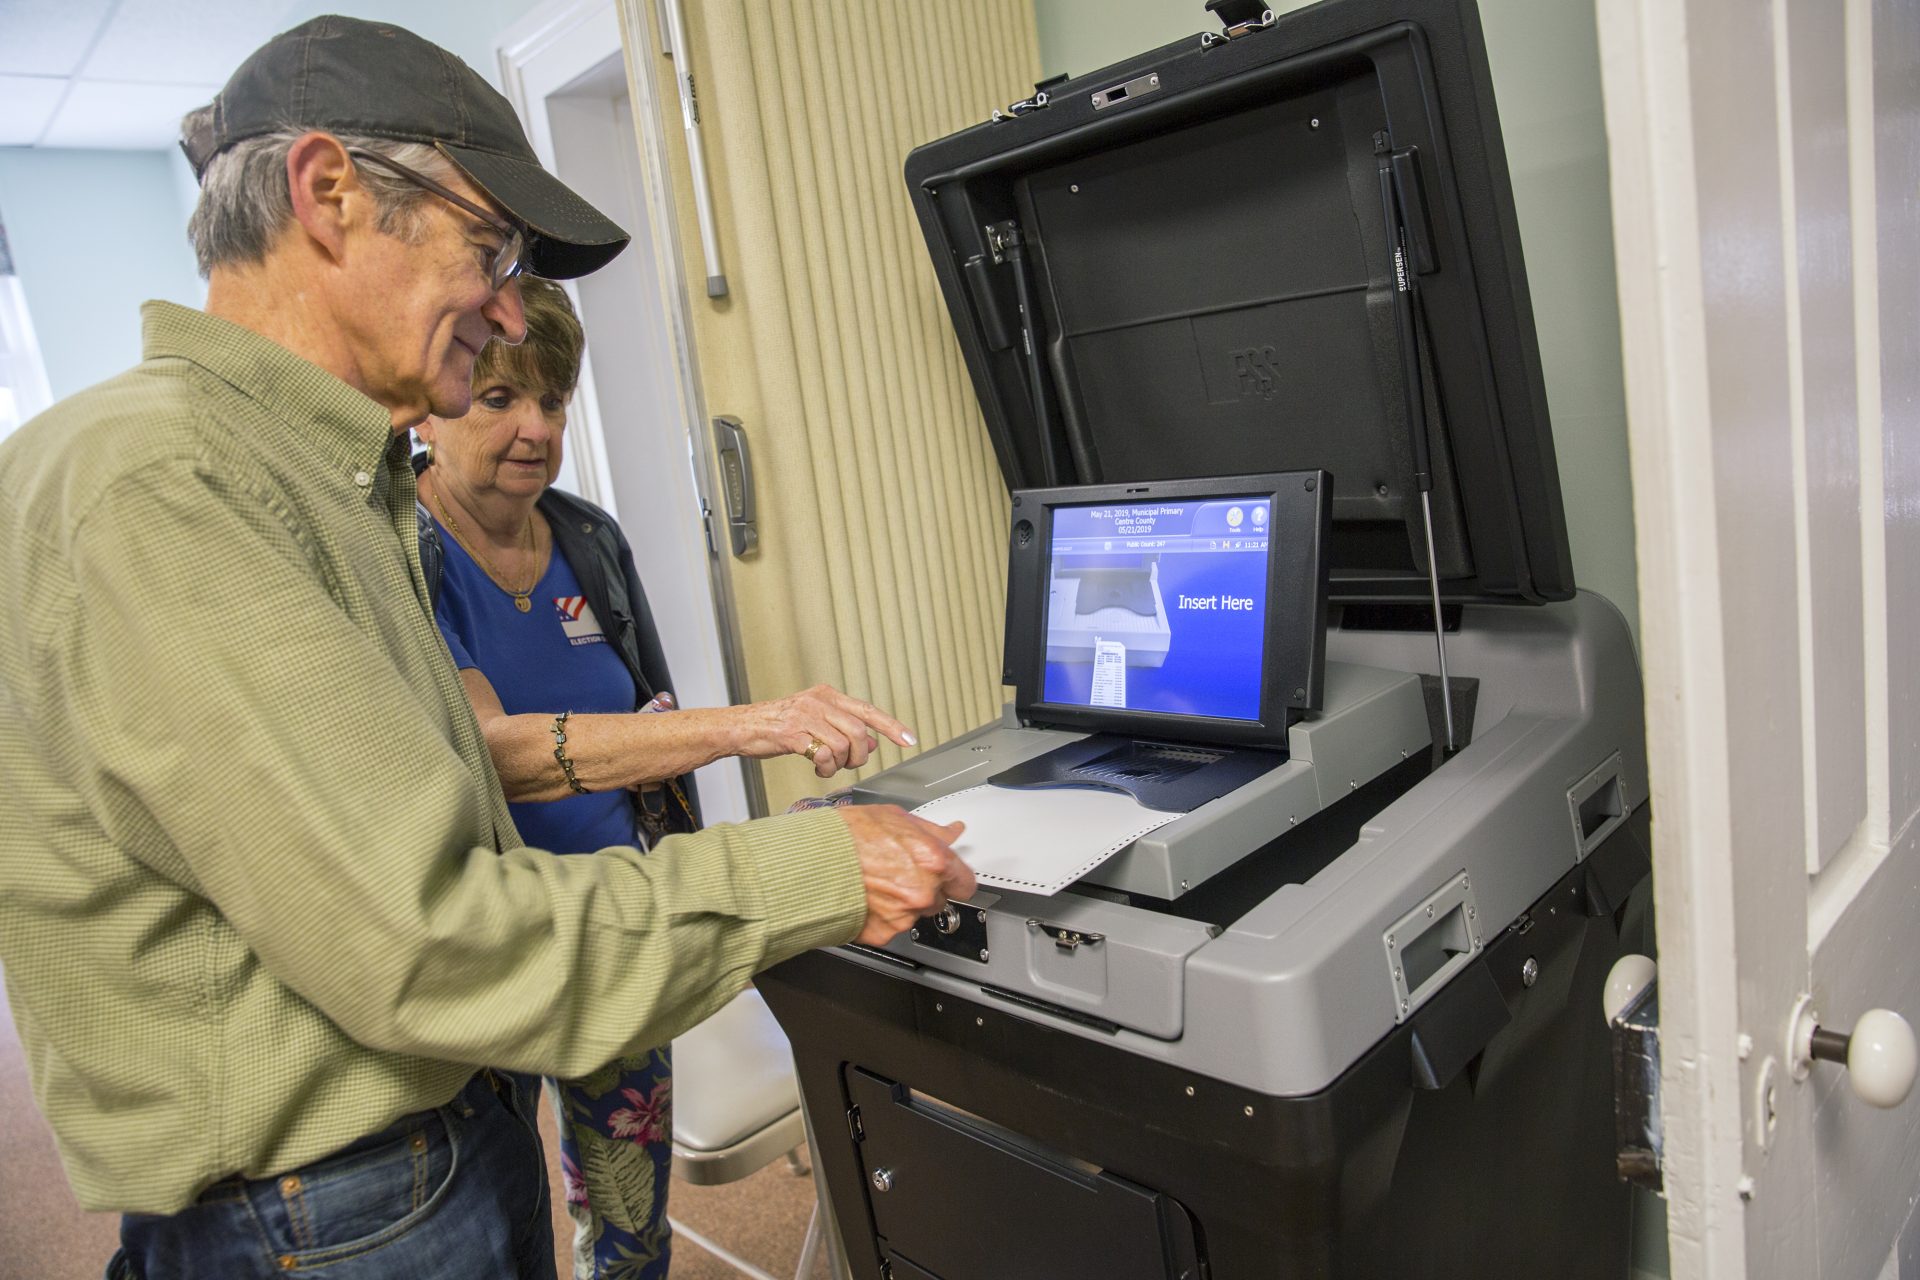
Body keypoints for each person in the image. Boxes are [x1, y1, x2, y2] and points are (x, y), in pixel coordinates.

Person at [0, 17, 972, 1280]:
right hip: (333, 1209)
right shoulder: (166, 482)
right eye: (490, 245)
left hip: (437, 1137)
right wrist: (812, 866)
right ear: (329, 193)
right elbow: (433, 935)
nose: (505, 306)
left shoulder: (337, 488)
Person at [415, 276, 912, 1276]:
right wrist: (747, 724)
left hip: (612, 931)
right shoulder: (404, 552)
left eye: (554, 399)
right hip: (484, 940)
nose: (535, 427)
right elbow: (494, 748)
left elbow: (648, 718)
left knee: (629, 1230)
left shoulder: (587, 538)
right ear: (436, 396)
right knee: (496, 1234)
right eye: (501, 396)